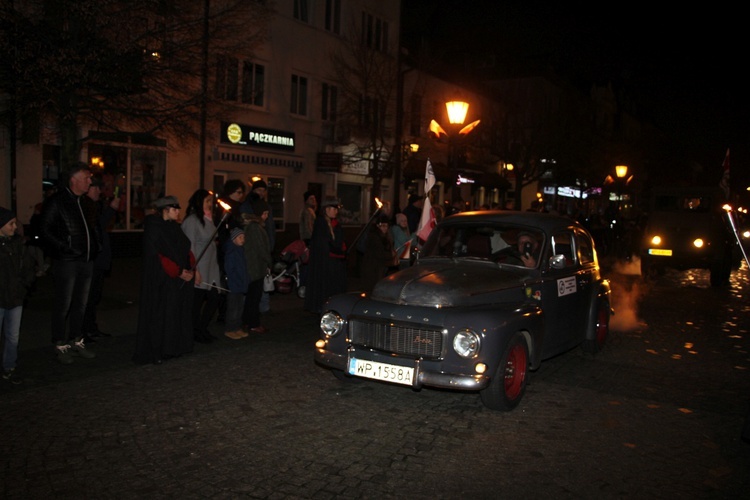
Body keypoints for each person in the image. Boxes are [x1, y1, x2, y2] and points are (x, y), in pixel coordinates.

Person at [40, 163, 101, 364]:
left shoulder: (83, 202)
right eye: (86, 178)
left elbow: (90, 228)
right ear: (73, 180)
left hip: (85, 260)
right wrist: (65, 248)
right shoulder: (57, 201)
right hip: (67, 261)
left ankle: (77, 340)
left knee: (81, 304)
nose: (90, 182)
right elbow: (44, 230)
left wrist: (95, 246)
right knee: (63, 304)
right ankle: (59, 343)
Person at [133, 196, 196, 365]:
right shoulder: (154, 227)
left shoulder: (174, 227)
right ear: (165, 209)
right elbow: (157, 256)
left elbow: (185, 247)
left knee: (175, 313)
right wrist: (177, 271)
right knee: (161, 315)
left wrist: (191, 266)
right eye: (175, 209)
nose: (178, 212)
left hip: (177, 279)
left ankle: (174, 347)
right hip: (162, 280)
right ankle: (158, 350)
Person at [82, 174, 120, 343]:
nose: (99, 191)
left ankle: (91, 328)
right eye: (96, 187)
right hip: (92, 260)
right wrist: (111, 209)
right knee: (89, 297)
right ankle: (86, 330)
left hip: (98, 259)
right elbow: (97, 227)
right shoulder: (87, 207)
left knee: (94, 296)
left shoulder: (95, 206)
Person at [0, 207, 36, 384]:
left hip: (15, 298)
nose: (15, 227)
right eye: (10, 224)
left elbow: (29, 268)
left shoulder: (18, 245)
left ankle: (9, 366)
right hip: (1, 298)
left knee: (13, 335)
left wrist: (23, 286)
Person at [182, 189, 221, 344]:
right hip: (200, 266)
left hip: (212, 267)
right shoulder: (192, 221)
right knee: (196, 302)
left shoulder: (209, 219)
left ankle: (202, 328)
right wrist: (195, 269)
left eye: (211, 201)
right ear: (199, 202)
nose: (210, 204)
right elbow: (190, 247)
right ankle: (195, 331)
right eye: (207, 201)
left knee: (214, 298)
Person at [304, 197, 347, 314]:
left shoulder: (335, 224)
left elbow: (338, 240)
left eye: (336, 209)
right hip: (325, 262)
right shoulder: (321, 223)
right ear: (326, 209)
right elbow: (323, 244)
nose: (336, 211)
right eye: (333, 208)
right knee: (324, 287)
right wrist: (337, 250)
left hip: (334, 262)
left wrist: (341, 249)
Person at [212, 179, 247, 324]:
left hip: (237, 247)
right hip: (227, 249)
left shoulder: (238, 207)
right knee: (226, 281)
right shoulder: (224, 206)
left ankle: (233, 314)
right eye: (238, 192)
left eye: (242, 192)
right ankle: (224, 314)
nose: (241, 195)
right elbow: (222, 227)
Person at [241, 179, 276, 313]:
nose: (261, 193)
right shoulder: (250, 211)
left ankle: (261, 307)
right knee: (254, 284)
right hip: (254, 252)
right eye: (259, 190)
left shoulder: (265, 207)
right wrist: (267, 257)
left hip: (263, 247)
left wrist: (271, 246)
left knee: (262, 282)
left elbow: (271, 228)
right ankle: (251, 312)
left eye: (263, 190)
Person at [242, 197, 273, 334]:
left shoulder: (255, 226)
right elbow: (261, 249)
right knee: (254, 297)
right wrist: (269, 261)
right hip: (255, 267)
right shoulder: (255, 227)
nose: (266, 216)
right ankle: (252, 322)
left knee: (252, 296)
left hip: (255, 266)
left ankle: (248, 321)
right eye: (265, 213)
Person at [222, 227, 249, 340]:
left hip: (240, 284)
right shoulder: (231, 251)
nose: (243, 239)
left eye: (243, 237)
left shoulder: (240, 250)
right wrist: (234, 282)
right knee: (233, 308)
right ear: (234, 239)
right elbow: (230, 269)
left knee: (239, 307)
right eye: (240, 237)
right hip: (234, 285)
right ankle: (230, 328)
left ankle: (237, 327)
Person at [361, 214, 396, 292]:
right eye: (382, 226)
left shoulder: (384, 237)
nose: (384, 228)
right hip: (373, 267)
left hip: (379, 266)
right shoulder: (374, 237)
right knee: (372, 288)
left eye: (386, 226)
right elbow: (380, 253)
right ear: (378, 226)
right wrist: (390, 255)